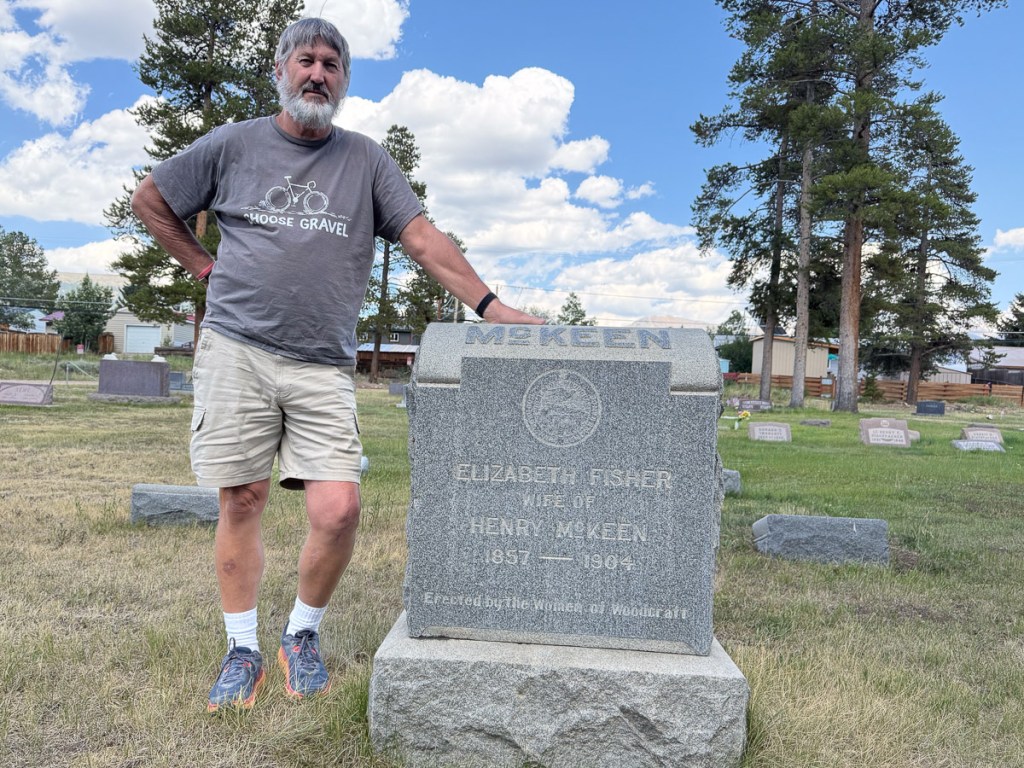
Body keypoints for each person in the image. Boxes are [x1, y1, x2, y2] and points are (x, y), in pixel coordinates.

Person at [131, 16, 542, 713]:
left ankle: (301, 634)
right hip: (237, 347)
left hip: (322, 361)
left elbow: (420, 237)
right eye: (306, 61)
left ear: (344, 82)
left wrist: (490, 305)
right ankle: (242, 649)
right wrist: (203, 266)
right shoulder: (233, 145)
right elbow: (151, 198)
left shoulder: (366, 161)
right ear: (280, 70)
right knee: (243, 498)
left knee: (339, 506)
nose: (317, 74)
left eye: (332, 65)